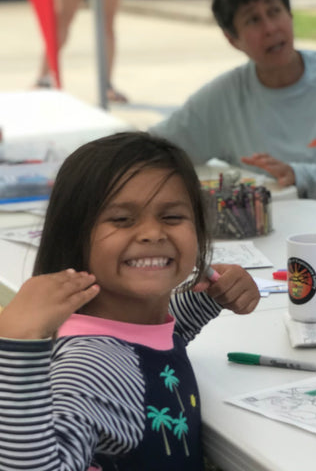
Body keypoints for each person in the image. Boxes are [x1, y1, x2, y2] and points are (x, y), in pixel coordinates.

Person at [0, 131, 260, 470]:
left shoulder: (123, 329)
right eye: (121, 219)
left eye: (172, 217)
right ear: (74, 236)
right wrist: (15, 346)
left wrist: (212, 296)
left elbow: (152, 339)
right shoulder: (93, 367)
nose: (152, 233)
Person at [150, 0, 316, 205]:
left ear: (290, 15)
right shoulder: (223, 97)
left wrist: (297, 175)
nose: (270, 28)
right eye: (253, 20)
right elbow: (152, 151)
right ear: (232, 39)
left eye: (274, 11)